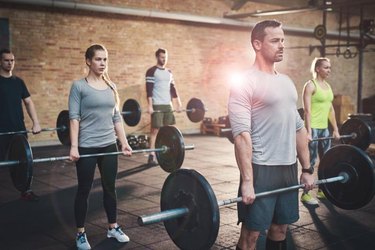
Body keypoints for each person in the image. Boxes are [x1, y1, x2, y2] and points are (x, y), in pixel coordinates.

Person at [228, 20, 315, 250]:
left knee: (280, 228)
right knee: (252, 235)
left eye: (283, 40)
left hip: (288, 167)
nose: (282, 45)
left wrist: (306, 169)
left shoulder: (286, 82)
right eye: (275, 40)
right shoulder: (244, 81)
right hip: (261, 169)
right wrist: (247, 181)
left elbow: (298, 128)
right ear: (257, 44)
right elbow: (241, 135)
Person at [69, 44, 132, 250]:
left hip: (108, 145)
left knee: (109, 188)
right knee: (84, 190)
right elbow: (74, 118)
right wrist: (74, 147)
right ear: (88, 61)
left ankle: (113, 227)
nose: (102, 63)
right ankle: (80, 233)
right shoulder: (79, 86)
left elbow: (116, 118)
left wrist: (123, 142)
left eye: (105, 59)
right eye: (98, 59)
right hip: (86, 146)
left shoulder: (111, 86)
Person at [0, 48, 41, 201]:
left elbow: (28, 102)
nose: (10, 63)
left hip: (18, 128)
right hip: (1, 130)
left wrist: (36, 123)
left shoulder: (19, 82)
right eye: (6, 60)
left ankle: (26, 191)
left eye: (12, 60)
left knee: (25, 162)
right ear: (0, 61)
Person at [301, 57, 340, 205]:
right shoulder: (310, 85)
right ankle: (305, 193)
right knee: (310, 161)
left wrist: (335, 129)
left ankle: (322, 190)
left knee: (326, 160)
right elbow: (307, 110)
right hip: (314, 128)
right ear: (317, 69)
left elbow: (331, 110)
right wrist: (309, 132)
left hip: (325, 129)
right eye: (326, 67)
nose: (329, 70)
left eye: (329, 67)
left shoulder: (328, 86)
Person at [145, 48, 182, 165]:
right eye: (162, 57)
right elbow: (149, 90)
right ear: (157, 57)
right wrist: (150, 106)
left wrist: (178, 103)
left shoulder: (169, 72)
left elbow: (173, 89)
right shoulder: (151, 71)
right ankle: (152, 155)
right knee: (155, 130)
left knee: (169, 129)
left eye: (165, 57)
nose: (164, 59)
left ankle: (167, 152)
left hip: (167, 105)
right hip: (157, 104)